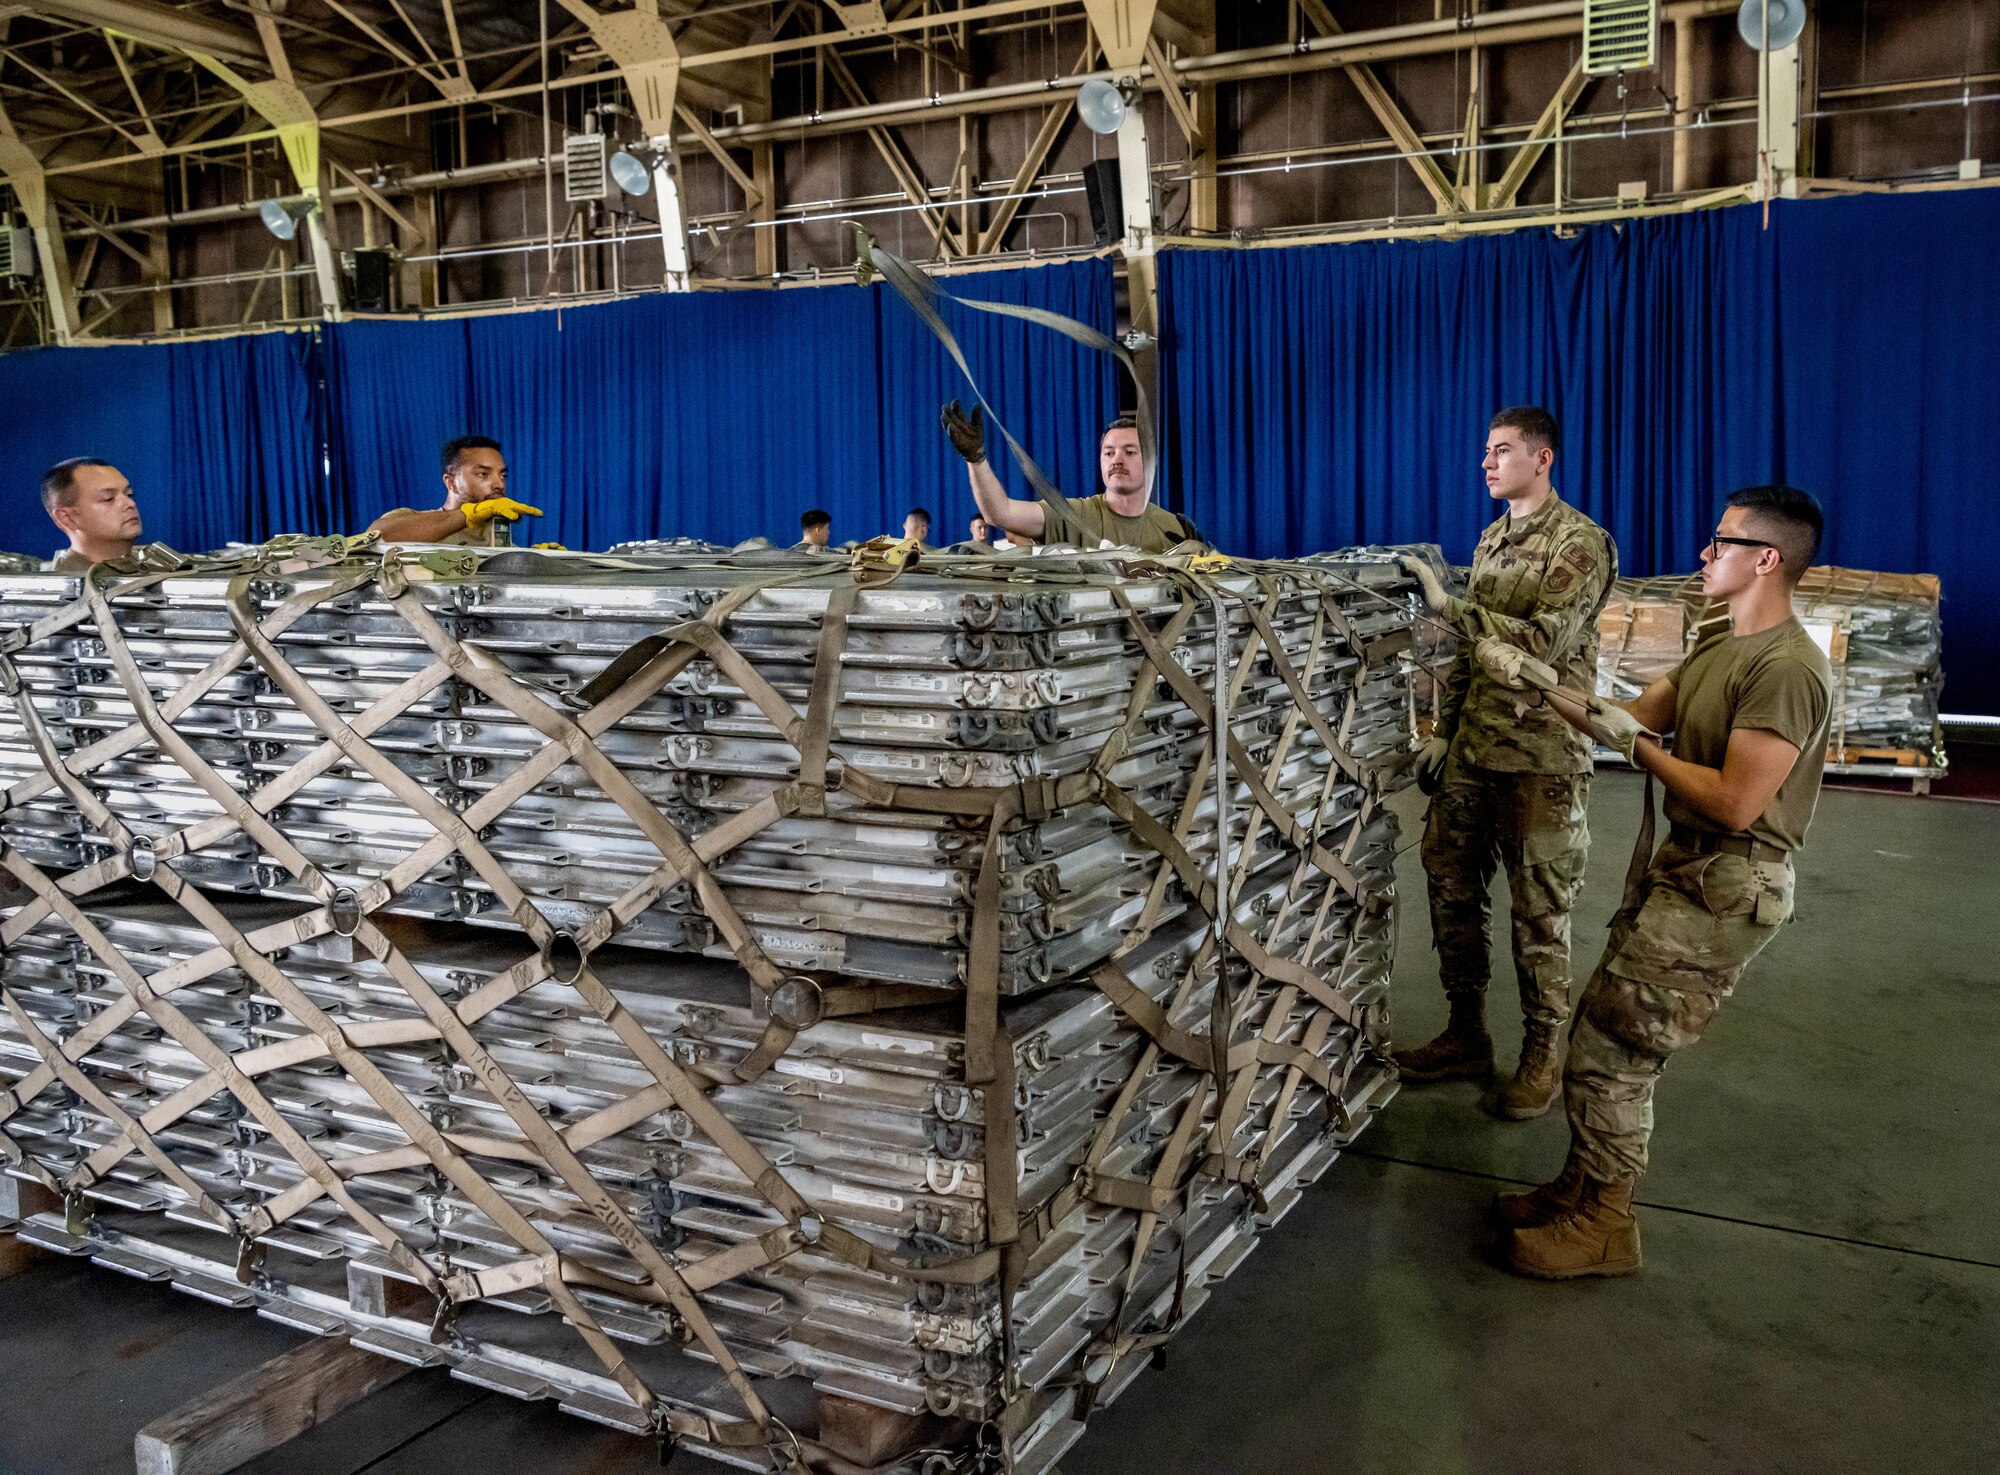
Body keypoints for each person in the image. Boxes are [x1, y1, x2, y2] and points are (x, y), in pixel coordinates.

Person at [1483, 485, 1831, 1280]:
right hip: (1687, 873)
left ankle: (1607, 1222)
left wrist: (1635, 747)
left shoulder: (1788, 669)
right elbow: (1634, 713)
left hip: (1728, 884)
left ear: (1767, 559)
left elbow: (1736, 802)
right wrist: (1537, 678)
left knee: (1619, 1053)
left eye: (1723, 542)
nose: (1706, 554)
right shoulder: (1722, 644)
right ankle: (1581, 1187)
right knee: (1602, 1031)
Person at [1392, 407, 1617, 1120]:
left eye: (1501, 451)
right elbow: (1461, 657)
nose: (1487, 463)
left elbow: (1540, 642)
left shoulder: (1580, 543)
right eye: (1485, 451)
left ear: (1542, 458)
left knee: (1539, 914)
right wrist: (1437, 729)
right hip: (1474, 751)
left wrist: (1448, 606)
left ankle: (1543, 1056)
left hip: (1542, 759)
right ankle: (1466, 1033)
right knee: (1450, 885)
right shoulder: (1494, 538)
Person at [941, 403, 1203, 554]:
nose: (1117, 459)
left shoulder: (1177, 529)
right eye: (1108, 452)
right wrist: (976, 459)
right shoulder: (1073, 515)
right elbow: (1001, 512)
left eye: (1130, 451)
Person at [368, 436, 541, 546]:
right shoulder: (410, 520)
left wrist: (543, 561)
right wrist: (467, 514)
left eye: (502, 475)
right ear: (451, 482)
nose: (499, 484)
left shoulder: (499, 540)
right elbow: (374, 536)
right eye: (483, 474)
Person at [42, 457, 142, 571]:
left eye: (129, 494)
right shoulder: (57, 586)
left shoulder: (155, 564)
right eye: (108, 499)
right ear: (67, 518)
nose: (130, 503)